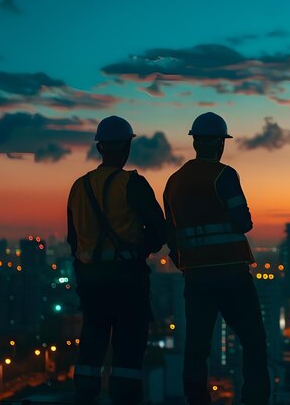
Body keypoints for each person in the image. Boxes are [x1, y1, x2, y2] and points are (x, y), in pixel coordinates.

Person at [164, 112, 270, 405]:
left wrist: (187, 264)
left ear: (195, 142)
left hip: (196, 278)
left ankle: (196, 399)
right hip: (231, 275)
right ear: (220, 144)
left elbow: (170, 235)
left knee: (197, 346)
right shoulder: (224, 175)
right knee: (254, 342)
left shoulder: (173, 183)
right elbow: (243, 222)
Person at [67, 115, 165, 405]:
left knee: (92, 342)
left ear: (100, 148)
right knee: (128, 347)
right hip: (126, 281)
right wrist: (139, 250)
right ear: (126, 148)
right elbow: (158, 230)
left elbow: (74, 240)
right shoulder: (132, 184)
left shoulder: (78, 187)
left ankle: (84, 396)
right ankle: (125, 399)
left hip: (92, 281)